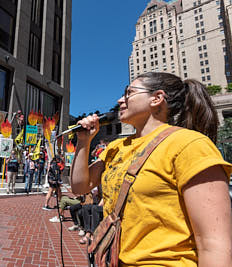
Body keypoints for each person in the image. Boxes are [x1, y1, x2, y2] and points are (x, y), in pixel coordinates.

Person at [71, 72, 232, 266]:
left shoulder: (190, 144)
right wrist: (83, 142)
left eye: (129, 93)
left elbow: (213, 243)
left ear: (156, 98)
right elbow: (80, 186)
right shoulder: (115, 148)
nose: (120, 100)